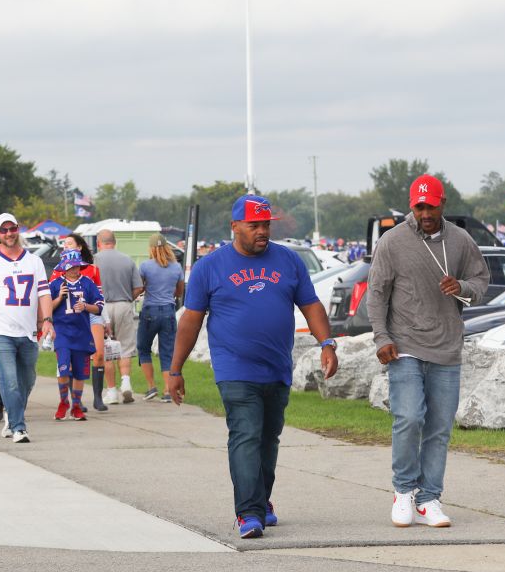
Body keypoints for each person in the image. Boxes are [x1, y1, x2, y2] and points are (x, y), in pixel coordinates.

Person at [167, 195, 339, 539]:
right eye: (254, 225)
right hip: (234, 368)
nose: (262, 231)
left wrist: (327, 343)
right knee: (246, 434)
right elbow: (190, 321)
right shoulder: (209, 267)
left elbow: (311, 305)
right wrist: (175, 370)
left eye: (266, 225)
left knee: (268, 438)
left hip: (276, 367)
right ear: (234, 226)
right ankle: (249, 512)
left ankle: (261, 500)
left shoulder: (288, 261)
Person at [366, 175, 489, 530]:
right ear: (412, 206)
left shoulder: (461, 240)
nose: (424, 213)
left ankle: (428, 498)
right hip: (404, 345)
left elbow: (481, 283)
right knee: (408, 418)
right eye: (418, 207)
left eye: (430, 206)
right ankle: (403, 491)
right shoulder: (392, 242)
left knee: (438, 427)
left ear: (442, 203)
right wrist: (380, 337)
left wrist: (462, 287)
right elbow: (376, 294)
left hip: (447, 347)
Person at [0, 213, 53, 444]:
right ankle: (19, 427)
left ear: (17, 229)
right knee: (10, 380)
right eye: (4, 230)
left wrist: (47, 320)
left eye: (12, 228)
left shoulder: (34, 262)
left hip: (27, 331)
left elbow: (43, 293)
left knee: (27, 380)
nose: (9, 233)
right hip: (0, 330)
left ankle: (12, 413)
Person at [48, 250, 104, 421]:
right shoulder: (56, 284)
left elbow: (100, 306)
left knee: (80, 373)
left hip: (82, 333)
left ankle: (76, 405)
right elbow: (45, 308)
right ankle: (63, 401)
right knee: (64, 367)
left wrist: (86, 306)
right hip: (62, 333)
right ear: (64, 268)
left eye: (77, 266)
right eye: (71, 267)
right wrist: (59, 298)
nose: (75, 269)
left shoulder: (87, 283)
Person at [92, 229, 143, 409]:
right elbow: (139, 287)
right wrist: (128, 297)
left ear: (99, 243)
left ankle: (111, 391)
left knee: (107, 348)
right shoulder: (127, 260)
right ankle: (126, 382)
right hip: (123, 304)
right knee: (125, 346)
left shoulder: (94, 260)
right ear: (115, 242)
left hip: (101, 307)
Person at [137, 234, 184, 403]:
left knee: (143, 349)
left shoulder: (145, 266)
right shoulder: (177, 267)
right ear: (167, 247)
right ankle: (167, 389)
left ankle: (151, 387)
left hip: (149, 311)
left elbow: (140, 288)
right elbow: (179, 292)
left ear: (151, 248)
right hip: (169, 312)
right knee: (167, 352)